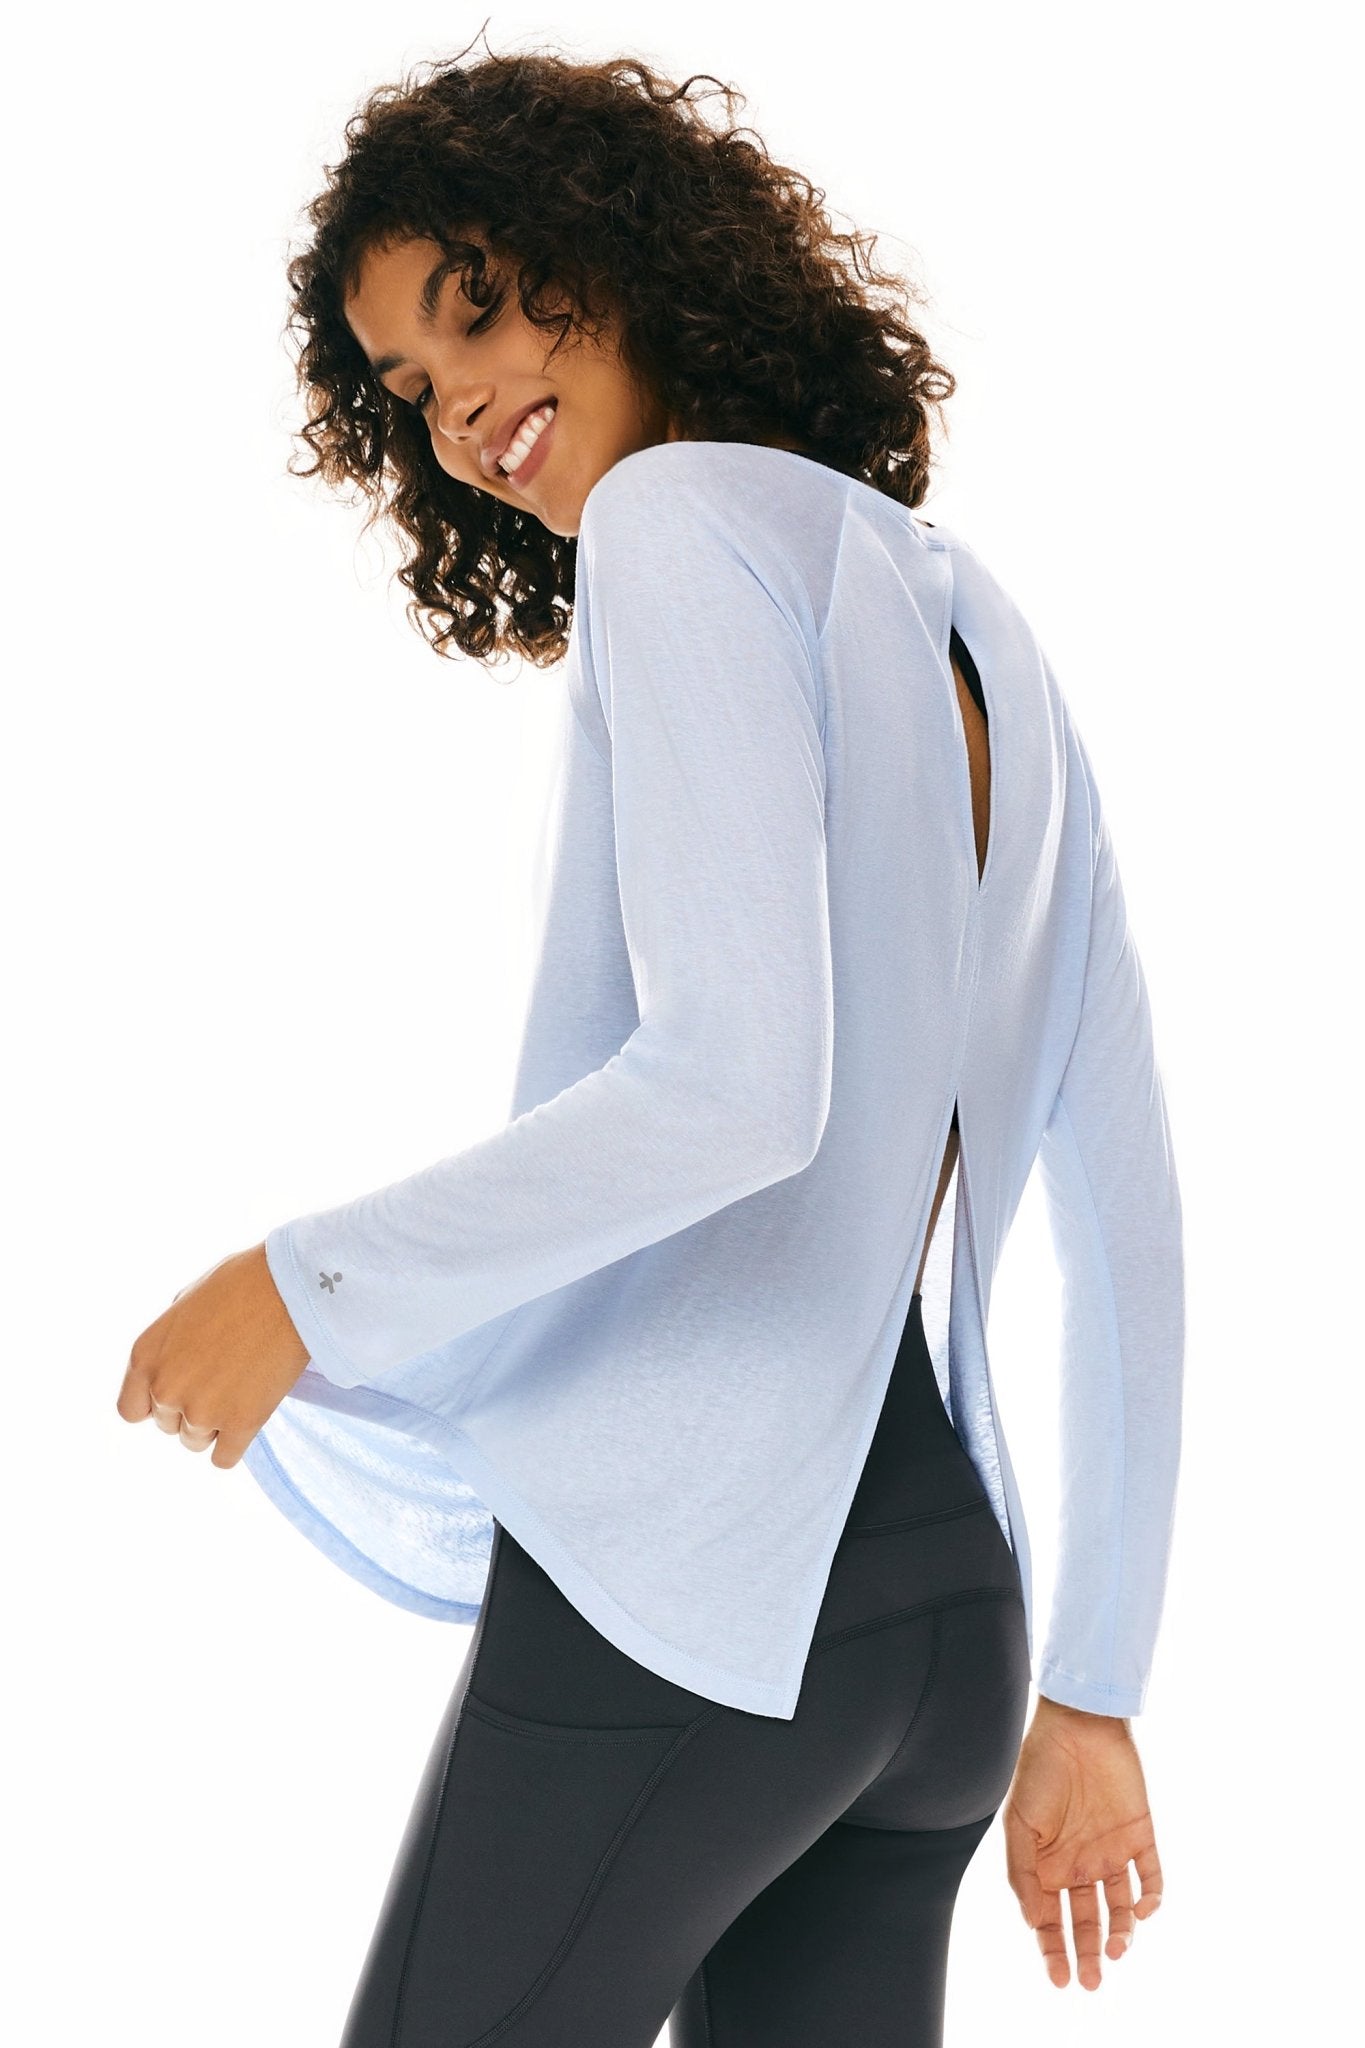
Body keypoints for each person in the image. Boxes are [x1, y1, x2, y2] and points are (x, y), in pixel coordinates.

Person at [117, 37, 1184, 2047]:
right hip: (944, 1623)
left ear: (616, 251)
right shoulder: (981, 632)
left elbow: (734, 1085)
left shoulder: (678, 524)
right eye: (410, 388)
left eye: (479, 310)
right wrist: (1094, 1684)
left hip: (709, 1594)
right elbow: (1124, 1207)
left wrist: (303, 1284)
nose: (459, 408)